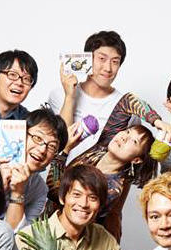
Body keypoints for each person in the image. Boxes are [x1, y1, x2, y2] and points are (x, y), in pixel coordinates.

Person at [46, 92, 171, 242]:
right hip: (44, 224)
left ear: (136, 160)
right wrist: (157, 121)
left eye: (134, 141)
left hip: (63, 240)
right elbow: (127, 101)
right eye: (127, 132)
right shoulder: (105, 144)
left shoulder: (112, 187)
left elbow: (56, 193)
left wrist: (65, 150)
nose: (124, 137)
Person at [48, 30, 126, 162]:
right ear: (87, 59)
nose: (108, 68)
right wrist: (69, 97)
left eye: (115, 61)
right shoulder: (58, 95)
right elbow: (60, 143)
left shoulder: (124, 105)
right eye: (102, 59)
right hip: (59, 172)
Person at [0, 106, 68, 231]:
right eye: (37, 138)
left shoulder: (40, 190)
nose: (42, 150)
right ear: (21, 134)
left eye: (52, 146)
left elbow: (17, 234)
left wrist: (18, 192)